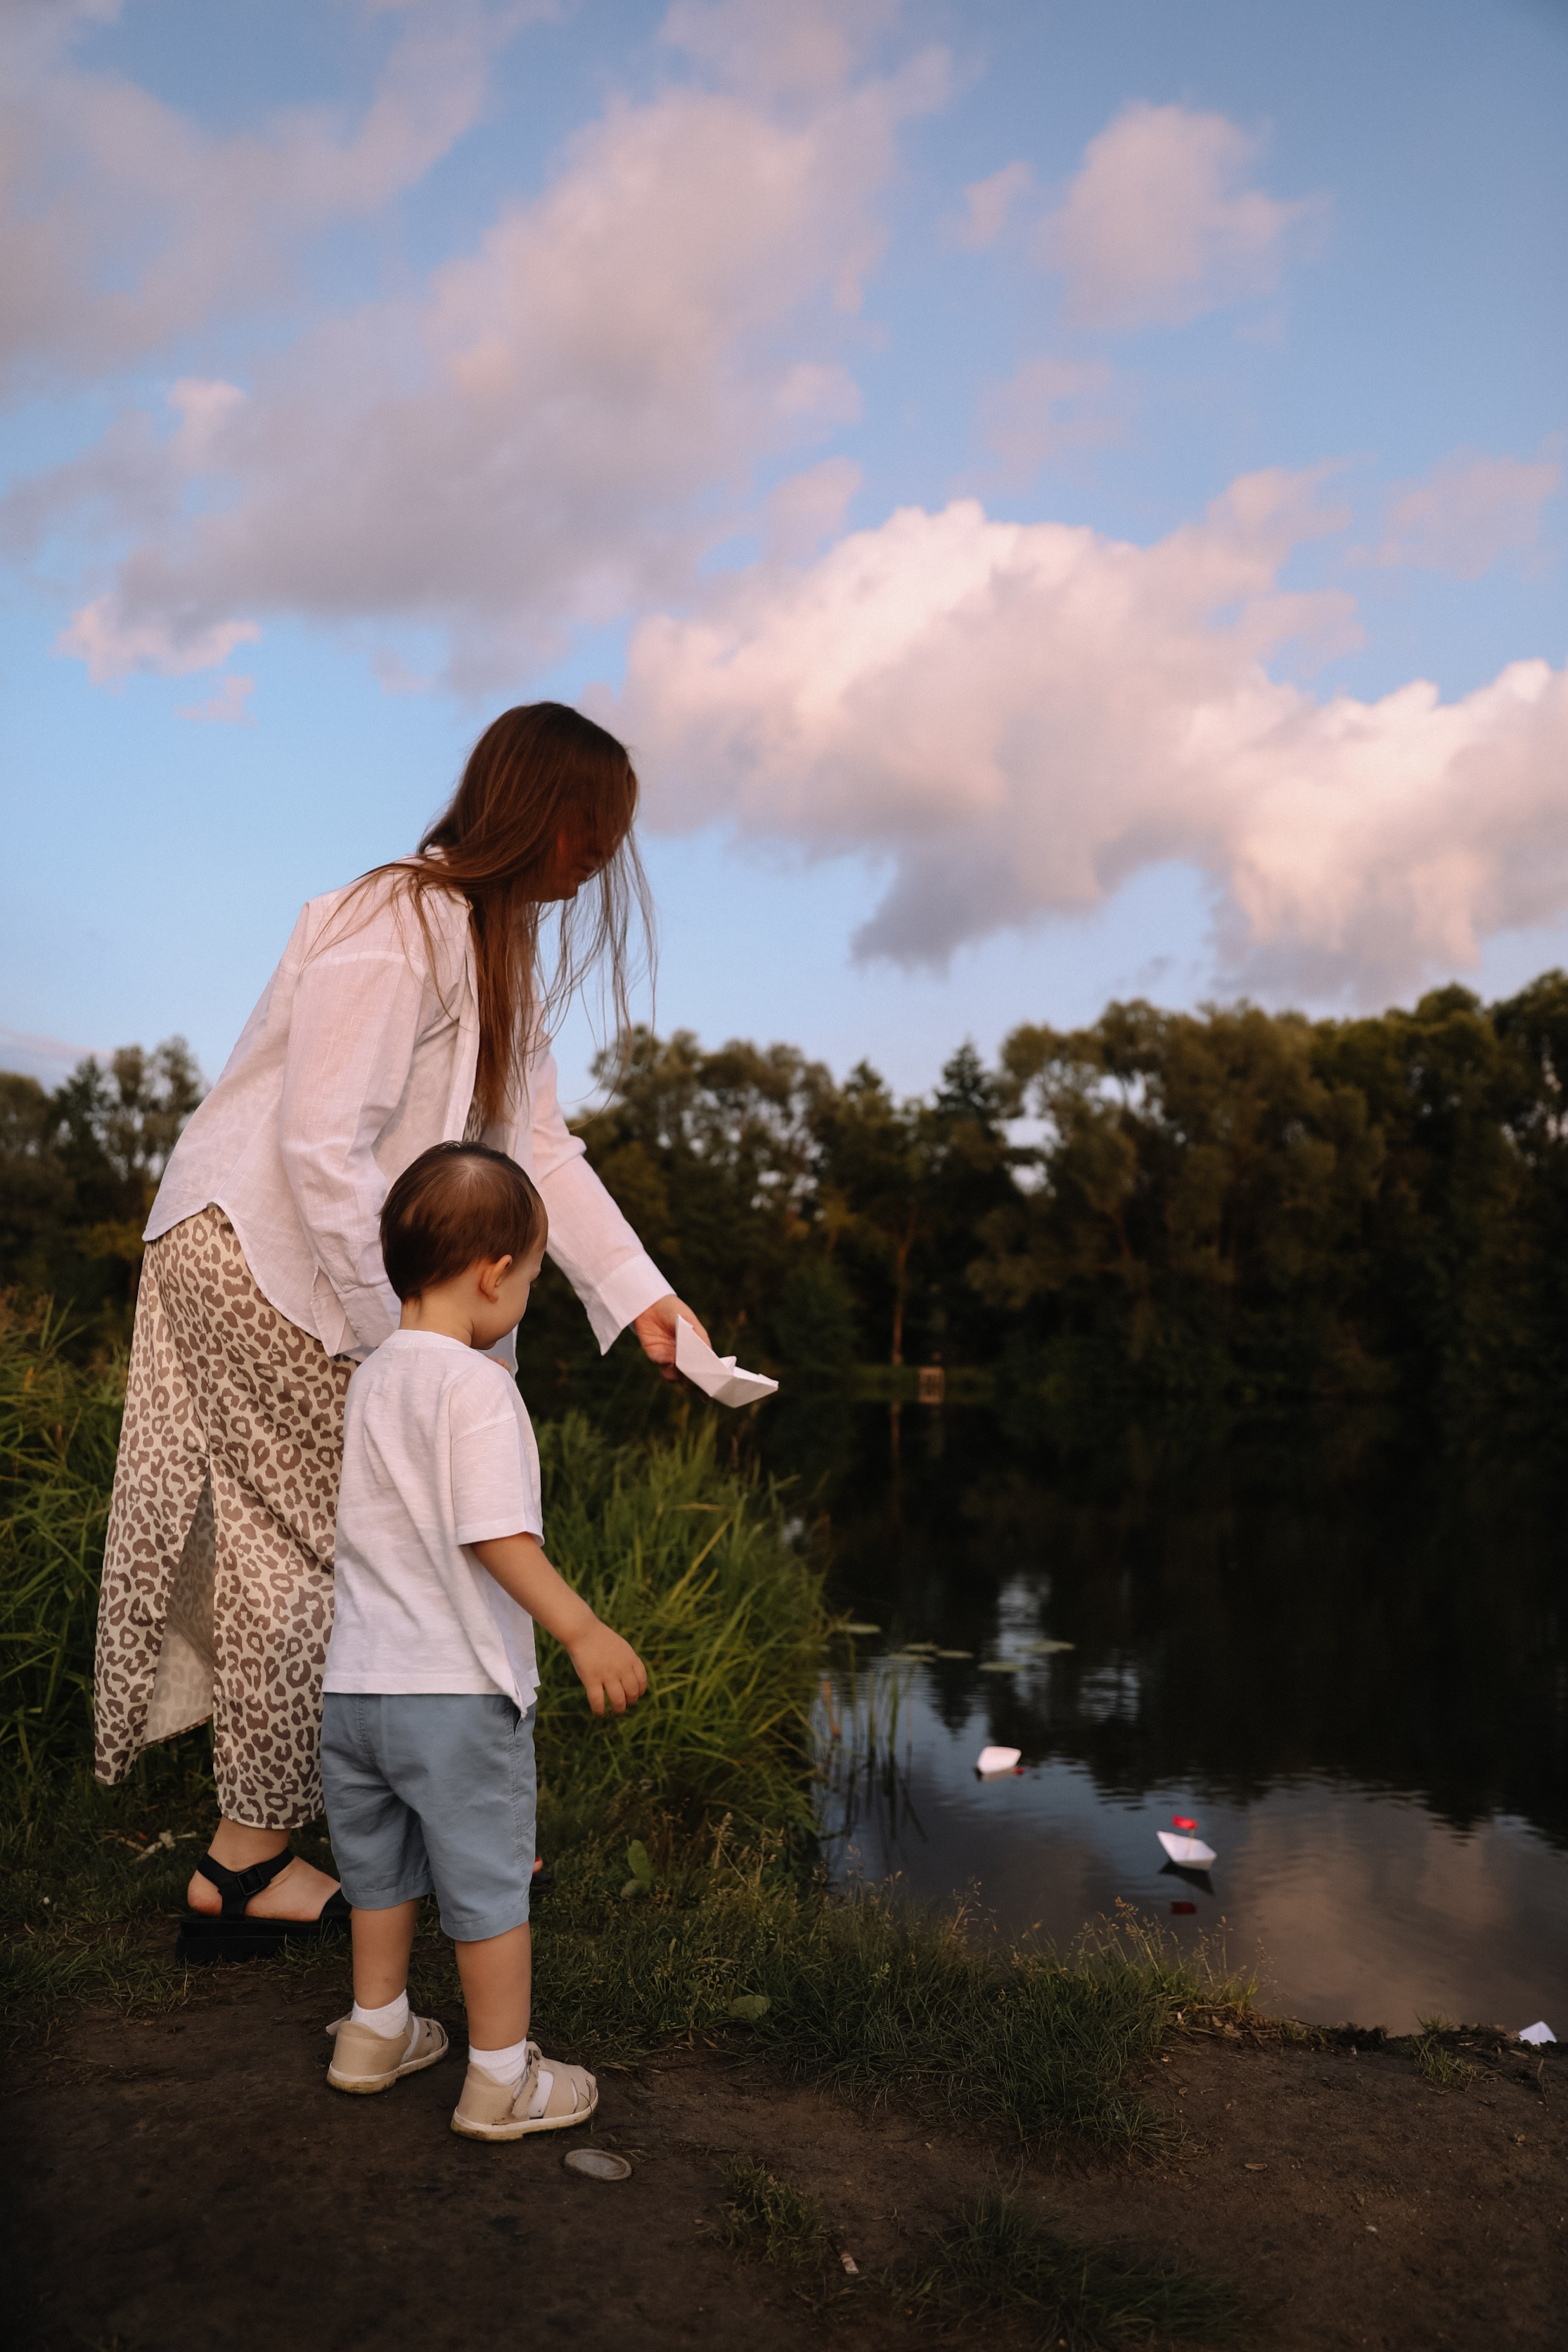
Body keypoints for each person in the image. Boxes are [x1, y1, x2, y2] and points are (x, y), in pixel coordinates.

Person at [93, 702, 706, 1948]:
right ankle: (258, 1862)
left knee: (337, 1537)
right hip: (263, 1252)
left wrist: (634, 1285)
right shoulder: (396, 917)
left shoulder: (497, 953)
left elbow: (534, 1147)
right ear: (531, 802)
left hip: (333, 1268)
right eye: (591, 824)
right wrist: (415, 1342)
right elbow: (322, 1145)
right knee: (328, 1540)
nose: (601, 855)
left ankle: (289, 1849)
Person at [320, 1140, 631, 2138]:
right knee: (489, 1884)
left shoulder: (372, 1379)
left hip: (355, 1692)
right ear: (493, 1271)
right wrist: (579, 1628)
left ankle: (373, 2031)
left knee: (377, 1870)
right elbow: (494, 1533)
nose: (527, 1294)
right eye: (535, 1276)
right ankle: (500, 2078)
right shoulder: (478, 1386)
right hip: (454, 1694)